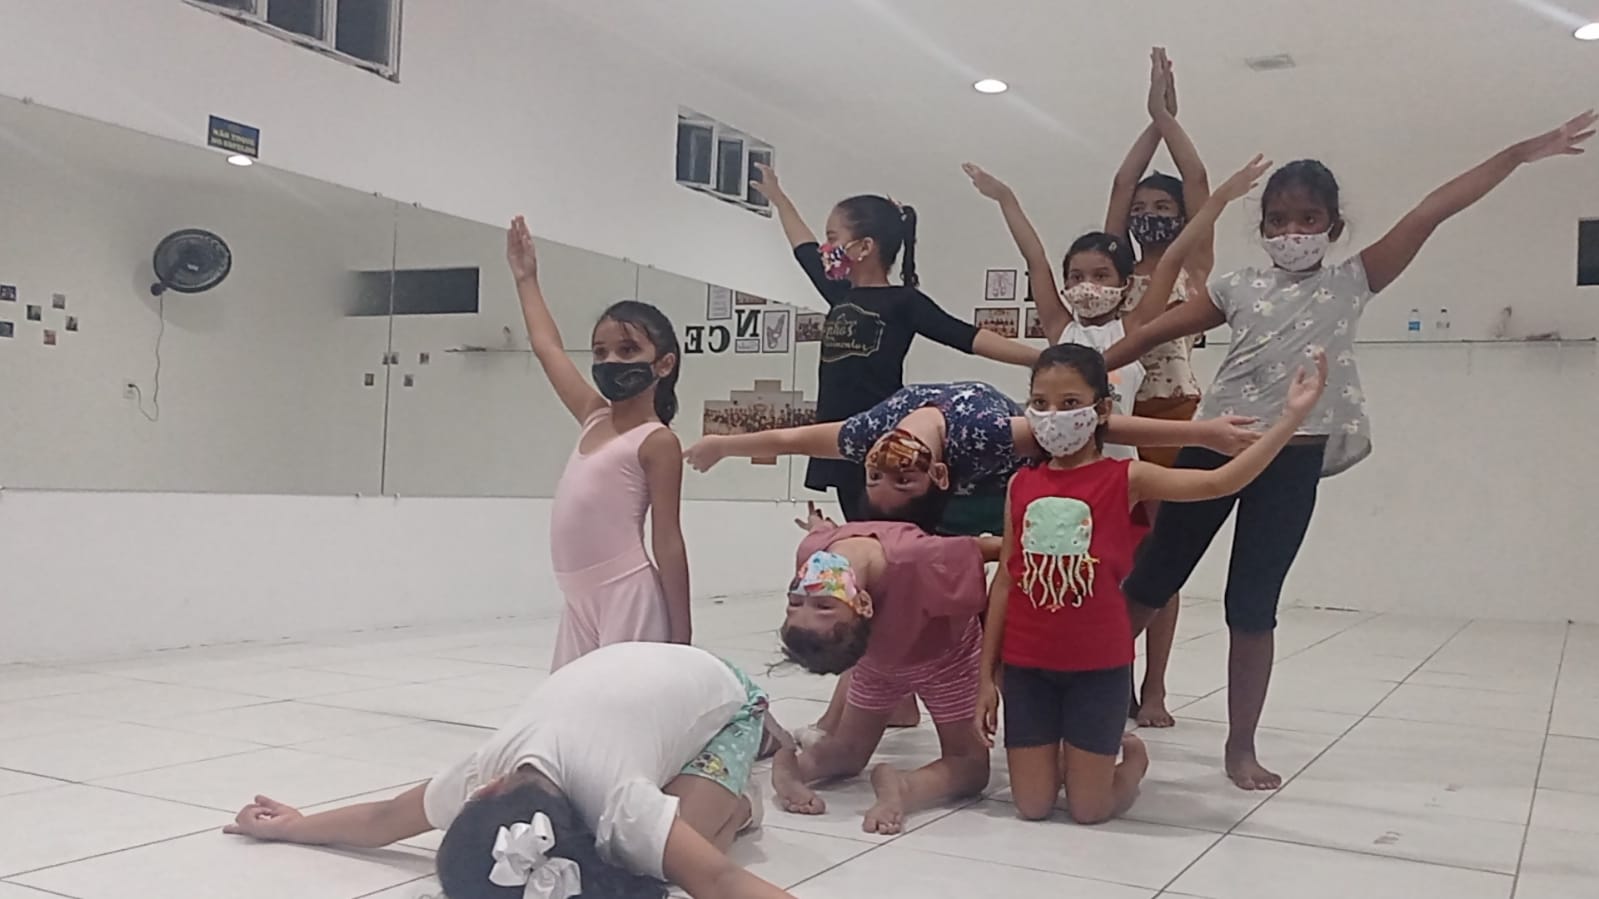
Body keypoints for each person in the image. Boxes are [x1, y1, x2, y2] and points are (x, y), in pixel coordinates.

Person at [1103, 111, 1597, 790]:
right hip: (1217, 444)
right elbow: (1148, 333)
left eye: (1307, 219)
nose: (1291, 232)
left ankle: (1240, 746)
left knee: (1253, 603)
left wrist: (1517, 153)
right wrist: (1077, 375)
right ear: (1263, 227)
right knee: (1150, 581)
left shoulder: (1351, 280)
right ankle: (1093, 704)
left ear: (1332, 226)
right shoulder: (1237, 287)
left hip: (1293, 457)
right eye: (1277, 219)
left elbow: (1432, 210)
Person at [977, 332, 1326, 826]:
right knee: (1032, 806)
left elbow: (1219, 481)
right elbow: (1006, 582)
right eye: (1040, 403)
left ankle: (1132, 762)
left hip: (1097, 668)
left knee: (1090, 810)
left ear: (1102, 410)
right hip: (1028, 667)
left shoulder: (1128, 477)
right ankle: (1070, 760)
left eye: (1070, 403)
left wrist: (1289, 420)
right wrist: (985, 677)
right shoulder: (1021, 484)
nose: (1053, 415)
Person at [223, 642, 799, 899]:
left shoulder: (620, 804)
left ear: (485, 790)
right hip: (641, 680)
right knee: (646, 851)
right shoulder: (488, 771)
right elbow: (384, 819)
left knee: (673, 857)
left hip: (725, 696)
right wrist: (292, 826)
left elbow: (719, 883)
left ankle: (740, 804)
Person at [749, 164, 1039, 524]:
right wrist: (779, 198)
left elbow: (967, 337)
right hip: (837, 434)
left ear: (864, 247)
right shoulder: (840, 294)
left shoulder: (903, 302)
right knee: (859, 528)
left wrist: (1041, 359)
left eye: (833, 238)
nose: (826, 248)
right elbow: (804, 249)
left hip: (882, 433)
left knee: (890, 531)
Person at [507, 216, 691, 669]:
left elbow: (668, 539)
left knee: (622, 699)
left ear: (664, 364)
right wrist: (526, 279)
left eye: (628, 351)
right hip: (578, 596)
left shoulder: (657, 441)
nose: (610, 361)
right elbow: (548, 347)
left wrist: (682, 635)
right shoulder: (593, 416)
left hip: (625, 591)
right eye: (600, 351)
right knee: (567, 699)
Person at [1101, 48, 1214, 728]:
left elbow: (1197, 179)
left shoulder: (1192, 265)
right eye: (1141, 207)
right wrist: (1149, 122)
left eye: (1160, 206)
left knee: (1159, 561)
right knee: (1113, 555)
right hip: (1115, 418)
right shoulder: (1113, 266)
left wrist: (1167, 117)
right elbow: (1120, 183)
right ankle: (1107, 672)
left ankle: (1155, 687)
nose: (1146, 212)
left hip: (1173, 414)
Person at [769, 521, 1000, 835]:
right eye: (797, 603)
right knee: (967, 763)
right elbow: (985, 548)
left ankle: (803, 767)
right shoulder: (914, 556)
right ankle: (897, 785)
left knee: (852, 750)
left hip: (923, 662)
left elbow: (986, 551)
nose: (806, 600)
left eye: (819, 605)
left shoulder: (910, 556)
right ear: (864, 605)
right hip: (909, 663)